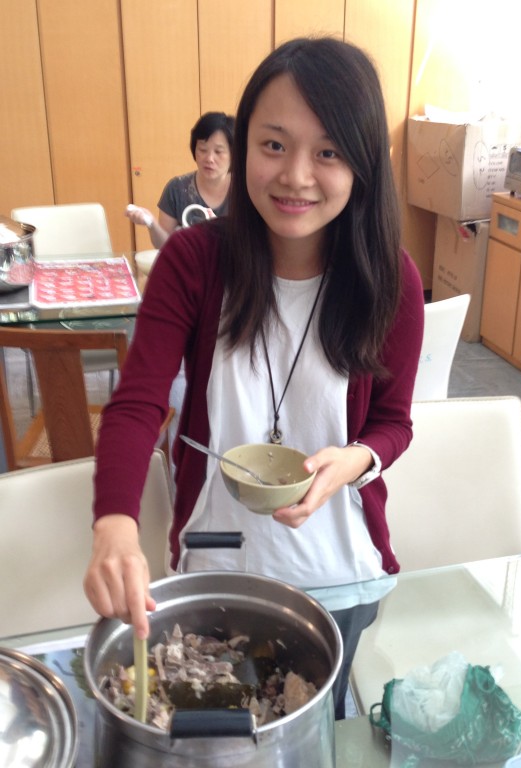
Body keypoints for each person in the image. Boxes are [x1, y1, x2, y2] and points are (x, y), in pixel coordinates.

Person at [84, 37, 424, 720]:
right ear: (243, 151)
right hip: (218, 563)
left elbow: (393, 423)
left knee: (313, 734)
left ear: (362, 163)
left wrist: (354, 460)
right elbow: (138, 403)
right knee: (211, 728)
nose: (296, 176)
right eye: (273, 145)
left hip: (341, 568)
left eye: (328, 152)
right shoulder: (194, 261)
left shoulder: (391, 278)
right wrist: (115, 524)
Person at [126, 111, 234, 248]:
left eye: (218, 152)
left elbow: (254, 244)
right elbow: (164, 246)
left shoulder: (247, 190)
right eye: (202, 149)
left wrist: (219, 231)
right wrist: (151, 223)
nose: (209, 159)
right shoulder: (177, 188)